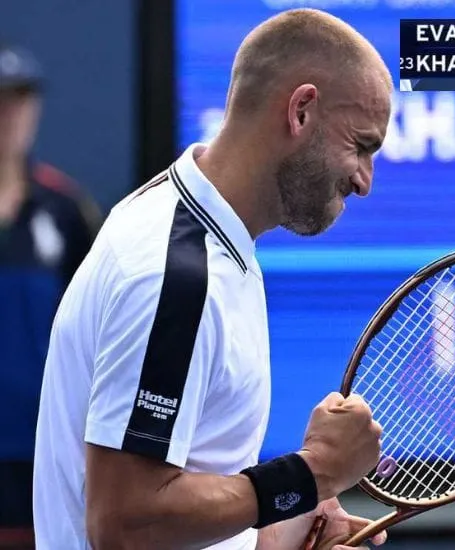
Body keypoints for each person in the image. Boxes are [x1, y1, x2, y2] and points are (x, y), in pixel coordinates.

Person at [32, 8, 393, 550]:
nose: (364, 181)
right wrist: (311, 474)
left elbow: (178, 502)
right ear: (301, 111)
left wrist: (282, 528)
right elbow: (126, 523)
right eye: (361, 145)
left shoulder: (193, 227)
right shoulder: (175, 274)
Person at [0, 43, 101, 547]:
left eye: (19, 100)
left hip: (42, 451)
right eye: (0, 100)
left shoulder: (65, 209)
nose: (9, 116)